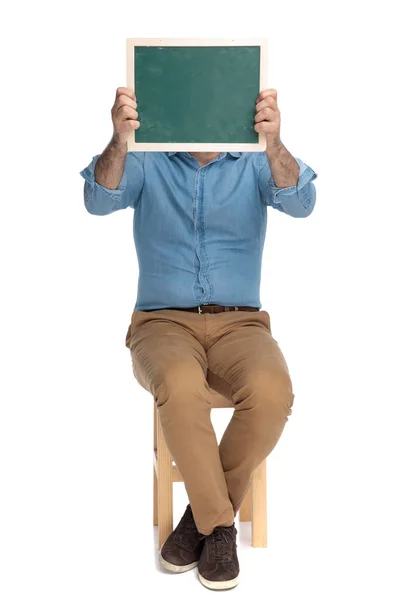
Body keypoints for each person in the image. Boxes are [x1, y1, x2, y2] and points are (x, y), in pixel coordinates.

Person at [80, 86, 317, 591]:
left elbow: (302, 203)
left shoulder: (254, 161)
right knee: (181, 387)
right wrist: (120, 141)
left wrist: (274, 143)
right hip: (162, 324)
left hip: (243, 324)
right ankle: (221, 527)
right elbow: (98, 201)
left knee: (274, 391)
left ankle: (200, 520)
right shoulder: (148, 159)